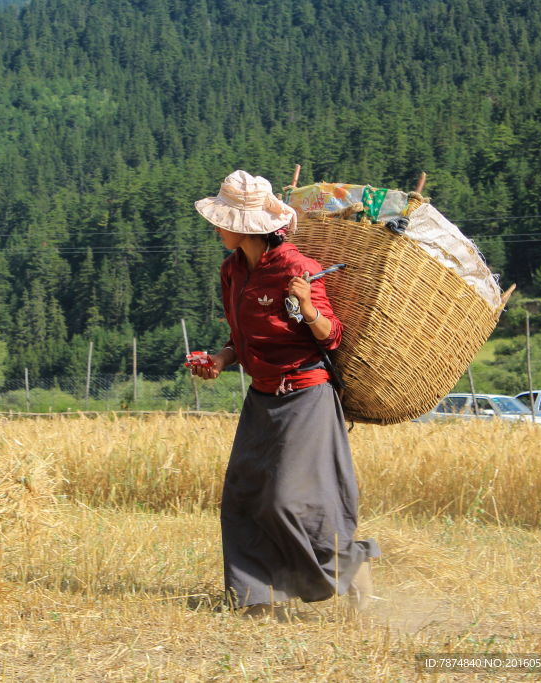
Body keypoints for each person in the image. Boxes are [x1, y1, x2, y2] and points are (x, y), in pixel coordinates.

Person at [191, 170, 380, 619]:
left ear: (246, 227)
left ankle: (351, 567)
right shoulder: (232, 270)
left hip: (305, 396)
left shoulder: (298, 269)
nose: (216, 228)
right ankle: (255, 599)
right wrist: (219, 360)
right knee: (243, 496)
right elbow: (241, 338)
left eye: (223, 221)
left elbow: (331, 335)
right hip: (261, 396)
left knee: (286, 501)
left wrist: (308, 307)